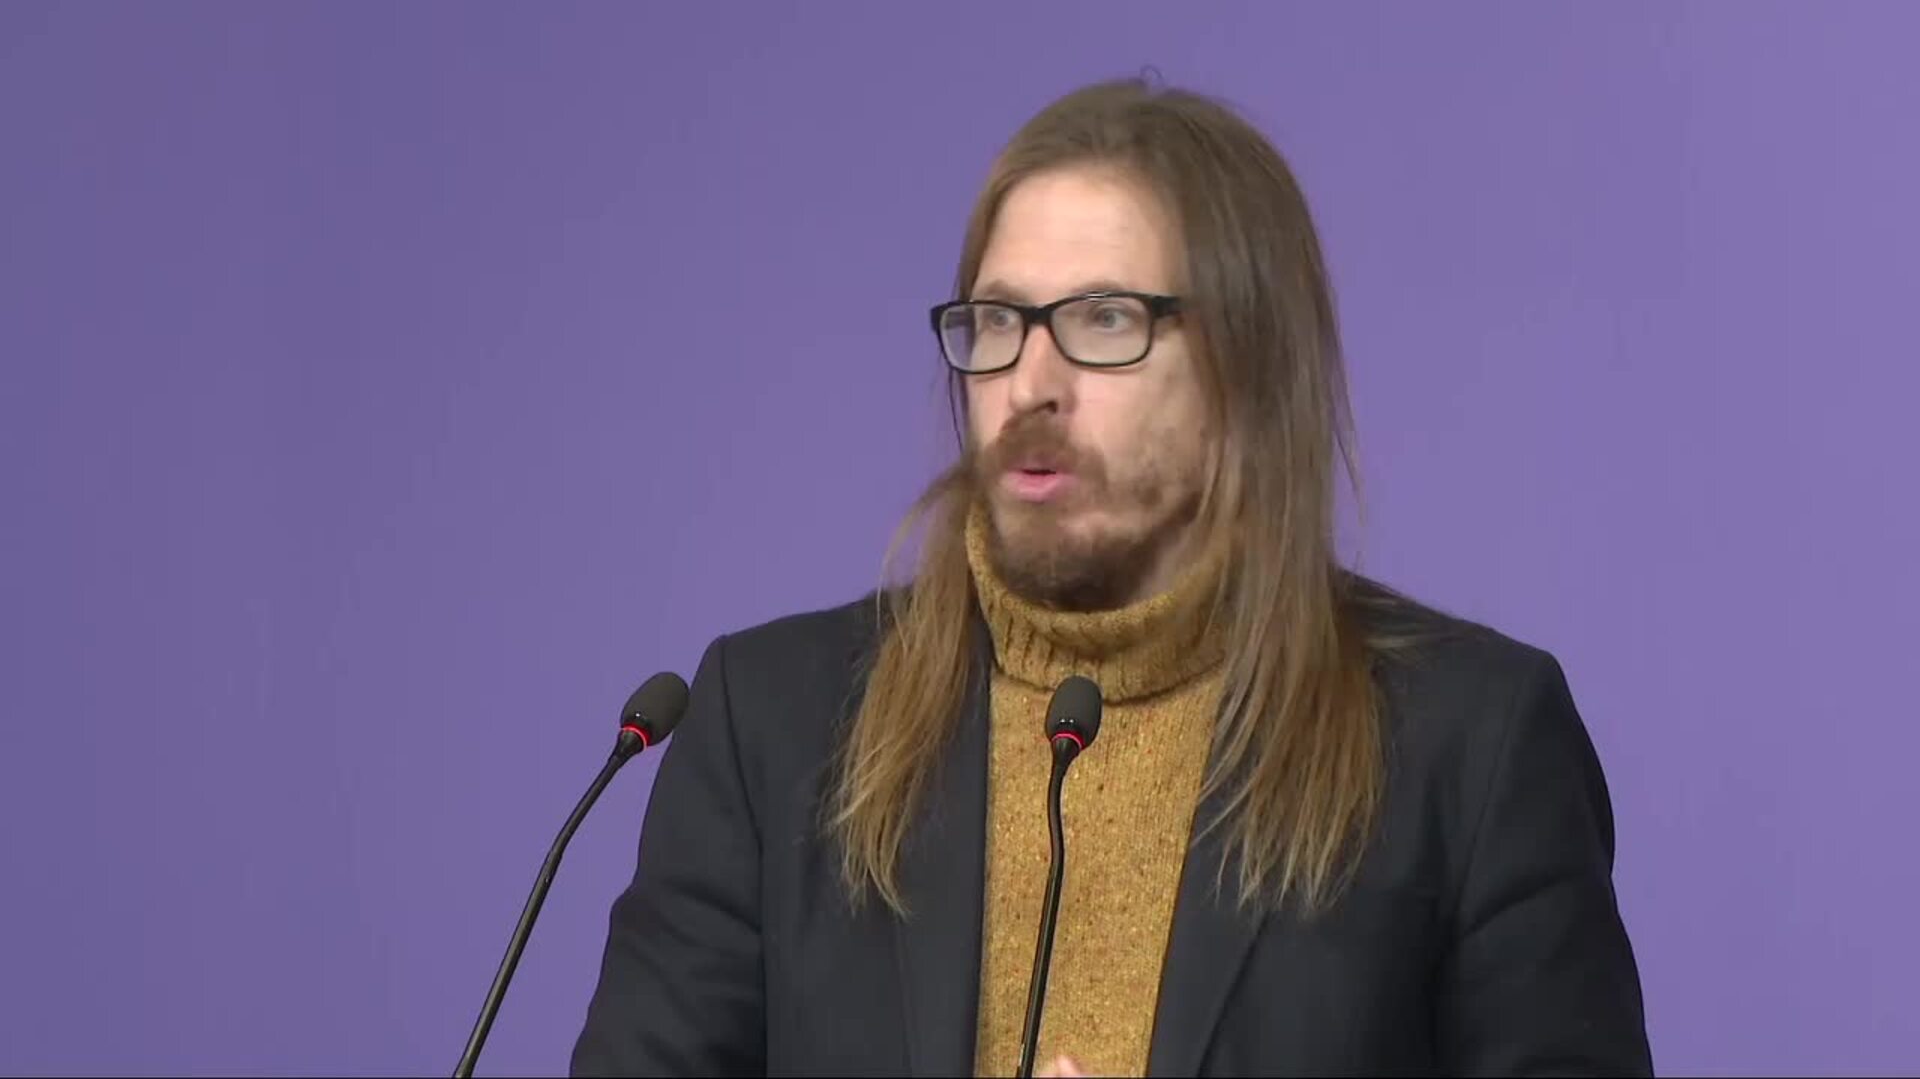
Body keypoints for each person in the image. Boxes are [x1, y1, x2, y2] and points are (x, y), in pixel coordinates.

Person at [571, 77, 1652, 1078]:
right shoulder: (771, 725)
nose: (1030, 383)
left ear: (1245, 367)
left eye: (1103, 321)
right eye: (999, 322)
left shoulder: (1473, 744)